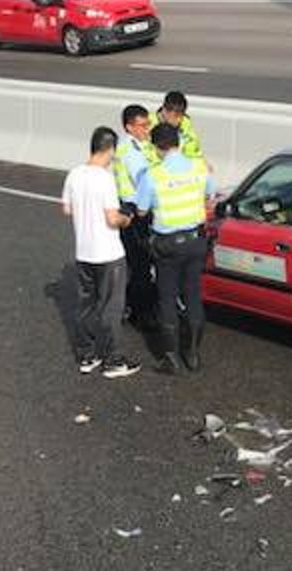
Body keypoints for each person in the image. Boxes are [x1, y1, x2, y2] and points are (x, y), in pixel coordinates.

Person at [134, 121, 215, 375]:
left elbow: (142, 210)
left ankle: (170, 358)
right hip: (195, 241)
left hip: (167, 245)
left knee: (167, 296)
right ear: (178, 143)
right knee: (192, 295)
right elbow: (210, 194)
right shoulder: (200, 167)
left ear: (158, 148)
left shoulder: (153, 174)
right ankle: (192, 354)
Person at [60, 127, 142, 379]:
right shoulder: (105, 178)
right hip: (108, 254)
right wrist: (127, 217)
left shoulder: (74, 174)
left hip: (83, 253)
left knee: (85, 306)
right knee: (111, 308)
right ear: (110, 149)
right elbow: (111, 219)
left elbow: (67, 209)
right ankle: (114, 360)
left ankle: (87, 356)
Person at [114, 104, 159, 330]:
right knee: (140, 262)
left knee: (145, 262)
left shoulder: (144, 144)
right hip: (132, 212)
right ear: (128, 127)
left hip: (144, 208)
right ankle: (139, 312)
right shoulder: (128, 150)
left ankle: (135, 304)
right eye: (141, 125)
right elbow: (144, 178)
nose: (146, 129)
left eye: (148, 124)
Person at [158, 90, 204, 163]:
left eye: (180, 116)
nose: (178, 120)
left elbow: (194, 152)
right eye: (174, 116)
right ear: (164, 110)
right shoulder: (147, 123)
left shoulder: (185, 123)